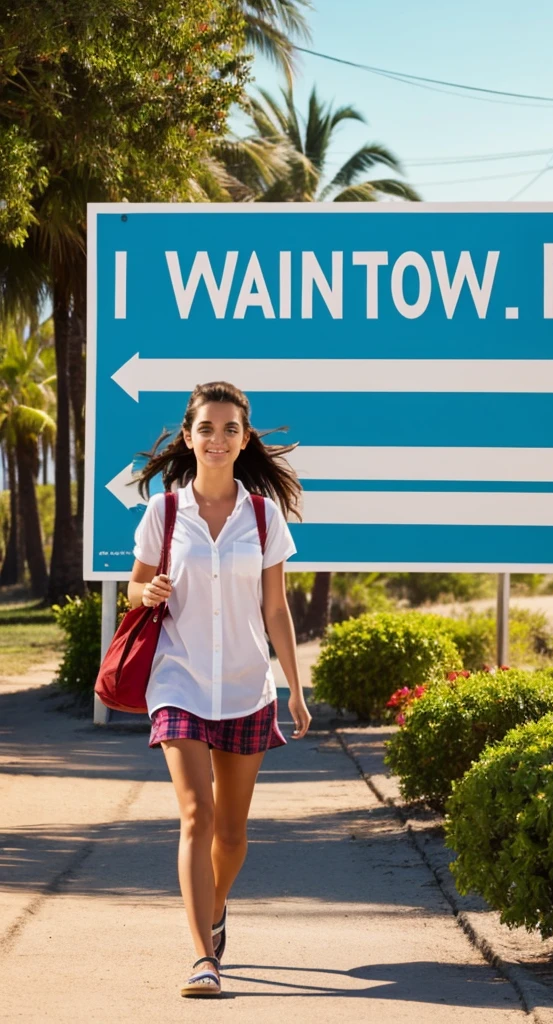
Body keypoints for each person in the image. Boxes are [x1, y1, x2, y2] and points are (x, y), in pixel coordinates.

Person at [128, 380, 312, 998]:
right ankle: (204, 958)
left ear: (243, 439)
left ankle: (214, 907)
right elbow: (137, 588)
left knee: (231, 835)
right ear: (189, 436)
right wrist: (147, 592)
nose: (216, 438)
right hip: (177, 681)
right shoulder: (165, 512)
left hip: (245, 686)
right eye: (206, 428)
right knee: (195, 815)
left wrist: (294, 687)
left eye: (230, 429)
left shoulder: (263, 517)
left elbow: (276, 607)